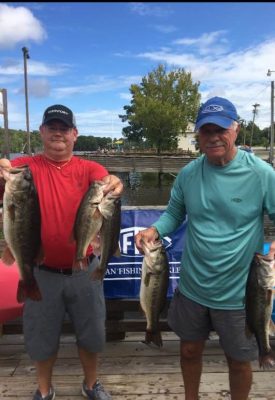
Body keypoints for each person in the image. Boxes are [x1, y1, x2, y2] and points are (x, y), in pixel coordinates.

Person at [135, 96, 275, 400]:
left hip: (240, 291)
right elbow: (174, 213)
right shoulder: (188, 174)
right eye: (206, 131)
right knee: (188, 349)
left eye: (220, 129)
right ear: (198, 135)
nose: (213, 137)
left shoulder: (262, 174)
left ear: (236, 129)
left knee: (238, 360)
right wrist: (154, 229)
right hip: (193, 285)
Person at [0, 104, 123, 400]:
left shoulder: (88, 168)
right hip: (39, 271)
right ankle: (44, 389)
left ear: (75, 135)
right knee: (41, 336)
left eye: (64, 128)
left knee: (92, 332)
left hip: (84, 270)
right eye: (52, 127)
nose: (58, 133)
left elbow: (108, 181)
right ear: (41, 132)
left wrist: (114, 184)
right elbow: (8, 176)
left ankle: (91, 384)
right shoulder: (25, 168)